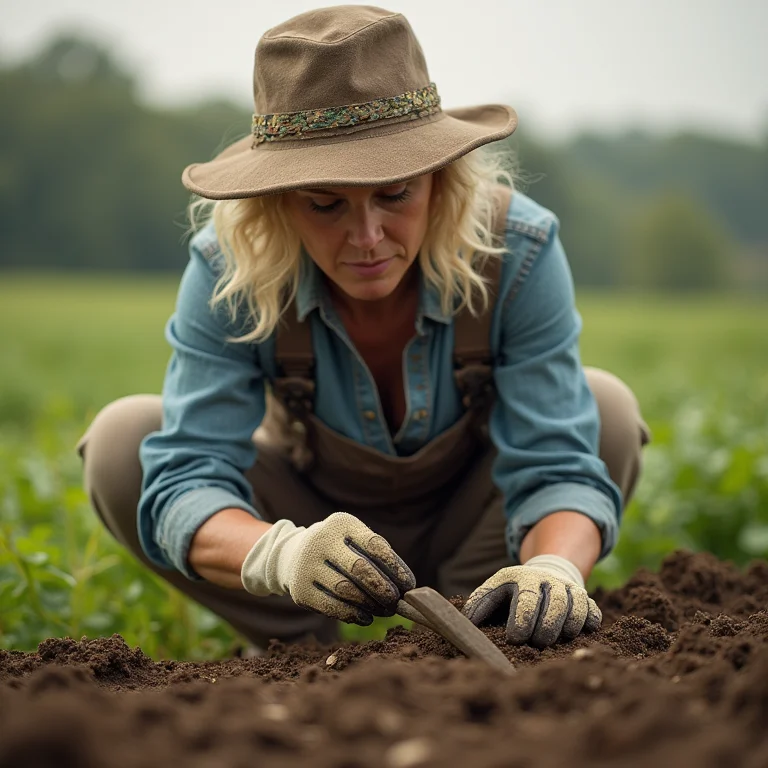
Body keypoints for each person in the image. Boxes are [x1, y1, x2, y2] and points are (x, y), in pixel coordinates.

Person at [78, 5, 650, 651]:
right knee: (123, 442)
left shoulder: (515, 251)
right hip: (308, 531)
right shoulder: (229, 269)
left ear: (439, 176)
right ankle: (308, 652)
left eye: (396, 193)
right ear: (279, 201)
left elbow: (557, 462)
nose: (368, 237)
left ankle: (487, 629)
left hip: (478, 534)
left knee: (606, 409)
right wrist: (282, 556)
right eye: (326, 204)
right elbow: (186, 478)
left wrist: (554, 566)